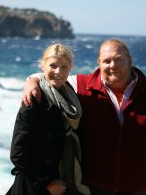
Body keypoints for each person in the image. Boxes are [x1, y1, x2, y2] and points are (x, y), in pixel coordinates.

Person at [22, 39, 146, 195]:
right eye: (106, 61)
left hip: (141, 189)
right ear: (99, 63)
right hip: (93, 187)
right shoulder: (80, 85)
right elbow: (53, 76)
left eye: (118, 59)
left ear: (129, 61)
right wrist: (32, 81)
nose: (112, 65)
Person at [7, 44, 90, 195]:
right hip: (35, 187)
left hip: (62, 179)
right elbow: (18, 153)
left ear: (71, 68)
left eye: (64, 67)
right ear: (43, 65)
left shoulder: (70, 97)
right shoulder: (33, 99)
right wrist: (47, 183)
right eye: (53, 65)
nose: (58, 72)